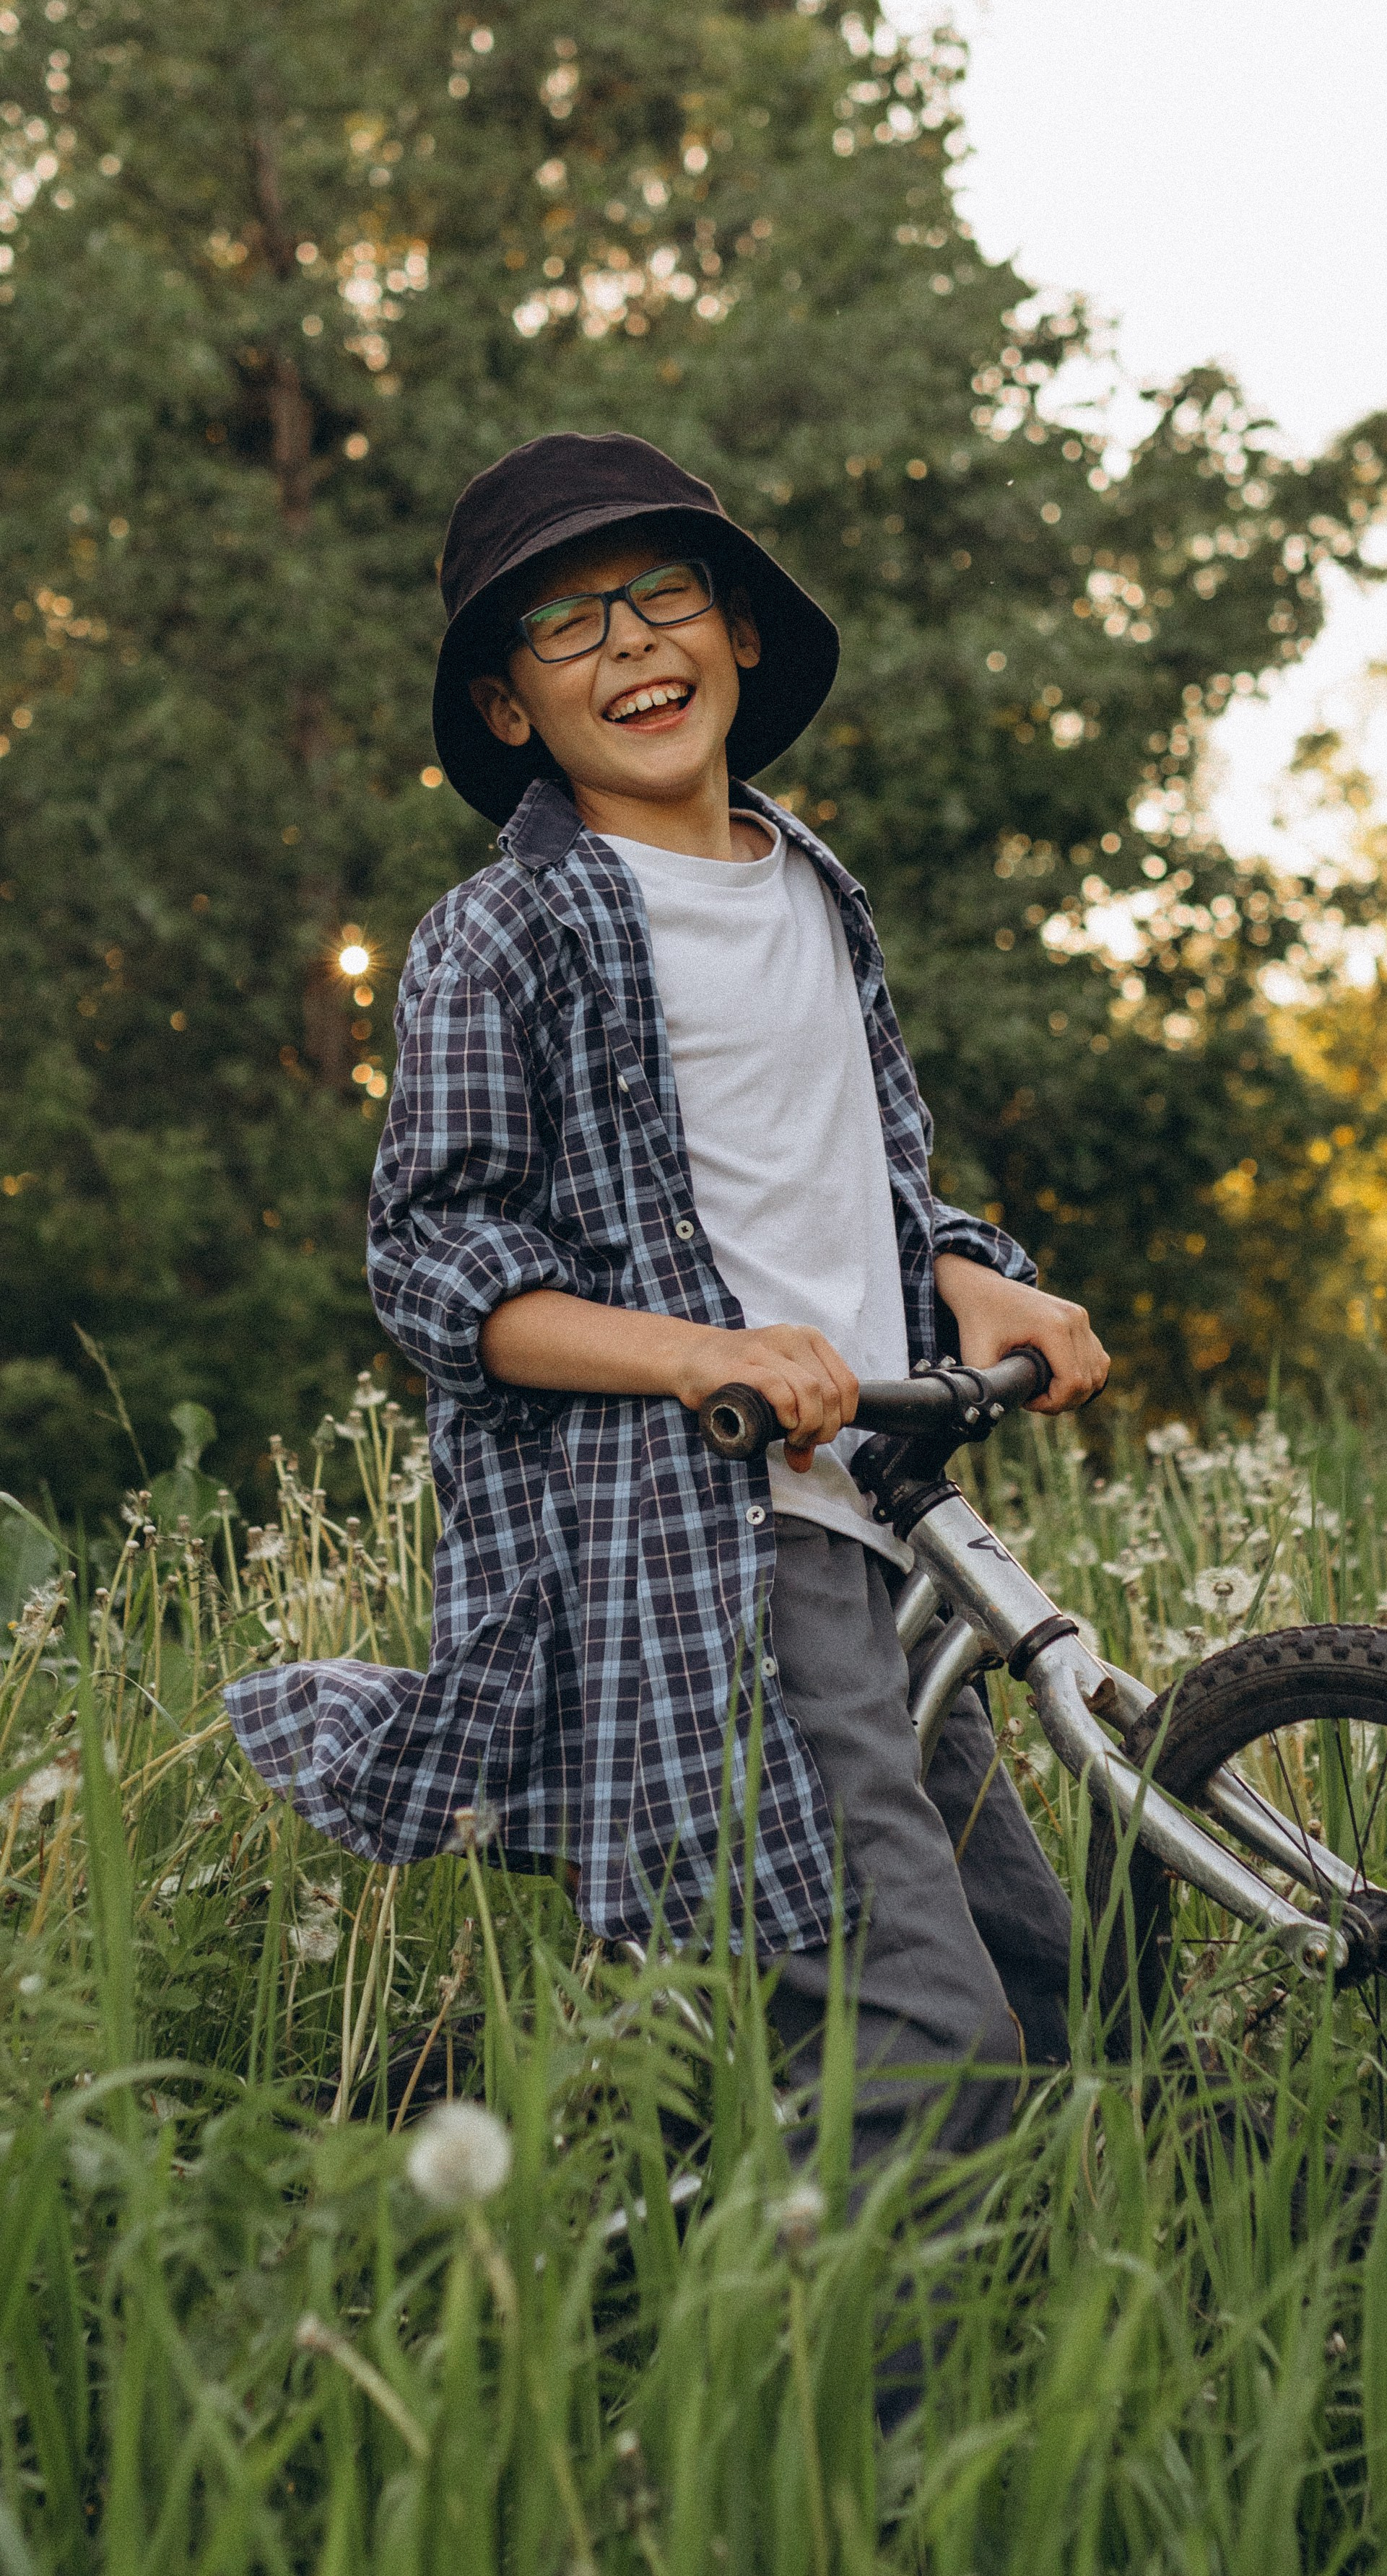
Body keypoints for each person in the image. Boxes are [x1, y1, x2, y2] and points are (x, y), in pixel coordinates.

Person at [226, 430, 1108, 2186]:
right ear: (505, 707)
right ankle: (871, 2442)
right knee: (923, 2037)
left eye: (663, 595)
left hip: (880, 1509)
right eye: (567, 628)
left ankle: (991, 2358)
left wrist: (971, 1266)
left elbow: (869, 1174)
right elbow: (434, 1264)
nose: (629, 646)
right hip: (706, 1544)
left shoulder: (807, 888)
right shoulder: (506, 930)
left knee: (1045, 1986)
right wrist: (703, 1354)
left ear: (743, 632)